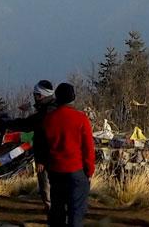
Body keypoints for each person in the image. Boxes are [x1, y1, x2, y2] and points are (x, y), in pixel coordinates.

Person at [0, 79, 57, 212]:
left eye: (36, 95)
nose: (34, 98)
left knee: (46, 183)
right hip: (59, 154)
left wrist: (6, 123)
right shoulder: (54, 109)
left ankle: (52, 210)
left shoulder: (45, 114)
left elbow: (26, 125)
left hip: (46, 155)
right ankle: (56, 208)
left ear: (41, 95)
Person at [40, 83, 95, 227]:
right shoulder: (81, 119)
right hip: (76, 171)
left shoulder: (49, 119)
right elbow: (88, 148)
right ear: (73, 98)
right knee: (76, 212)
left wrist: (45, 163)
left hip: (55, 170)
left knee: (57, 210)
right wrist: (89, 171)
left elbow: (43, 145)